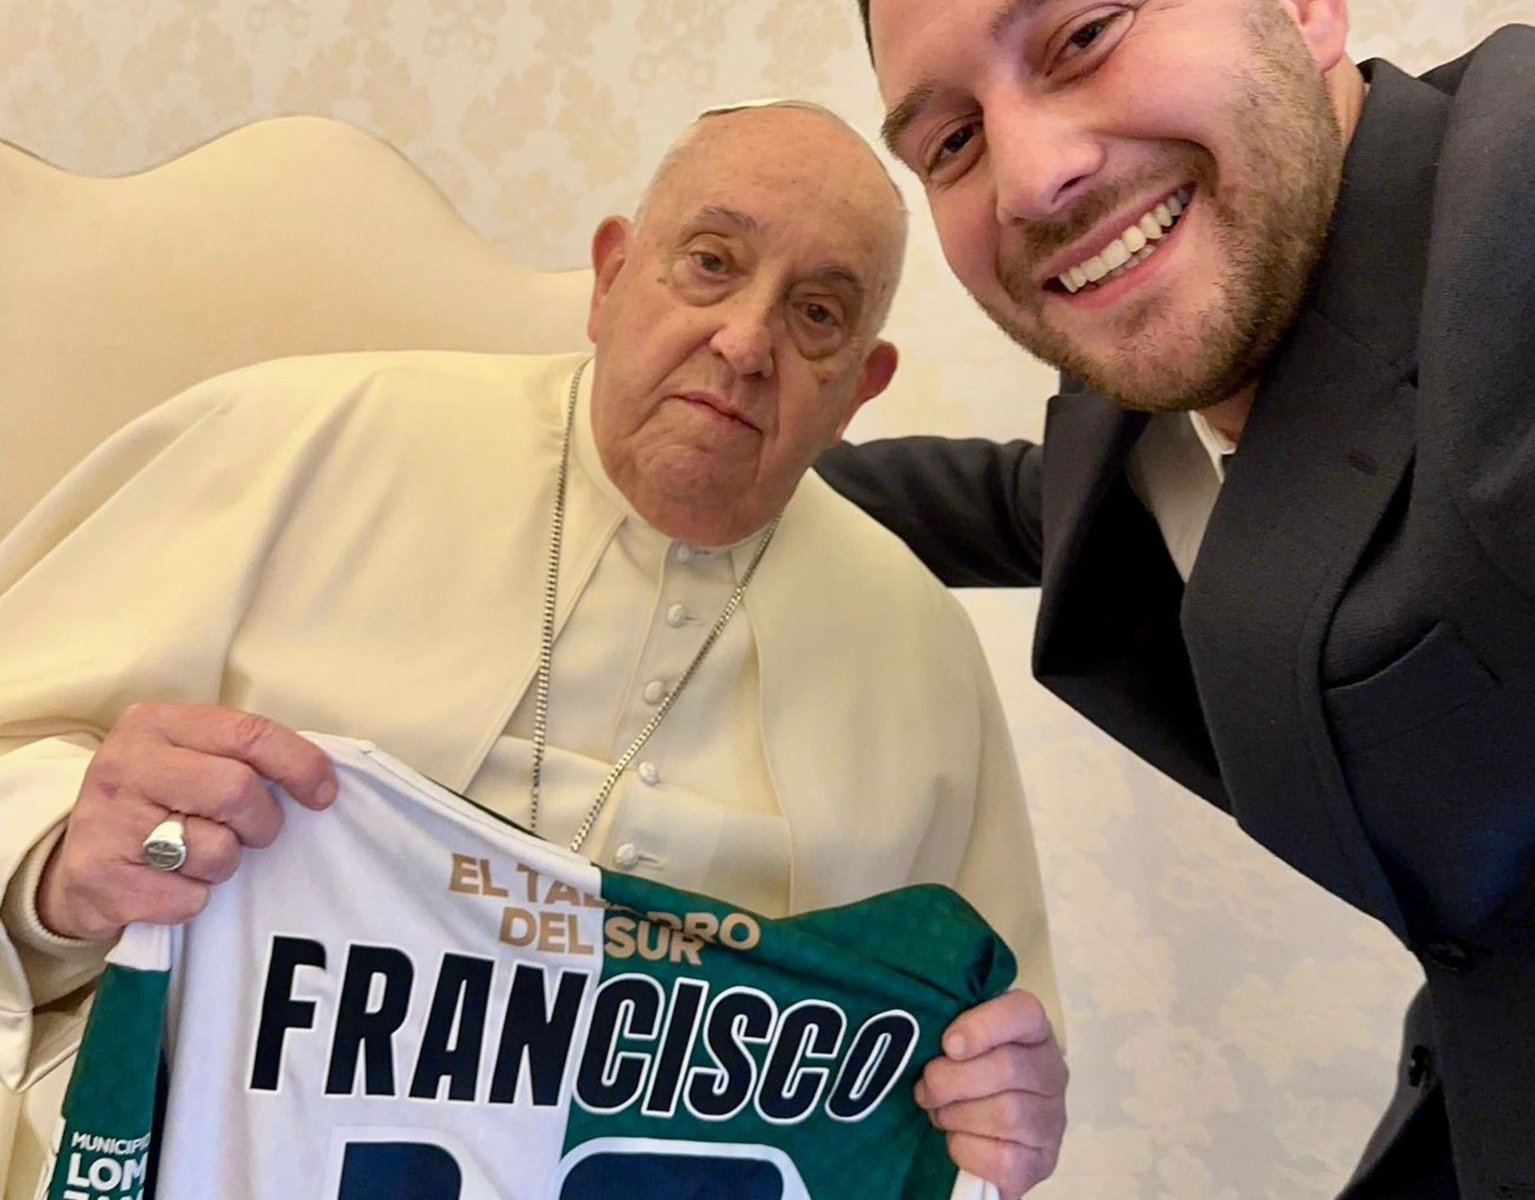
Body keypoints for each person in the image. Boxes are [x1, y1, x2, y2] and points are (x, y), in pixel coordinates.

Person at [0, 102, 1066, 1198]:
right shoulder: (297, 440)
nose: (746, 344)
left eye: (817, 314)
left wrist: (1003, 1104)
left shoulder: (916, 644)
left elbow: (986, 1045)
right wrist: (57, 868)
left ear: (861, 390)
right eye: (710, 263)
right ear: (610, 278)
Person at [815, 2, 1535, 1198]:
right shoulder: (1154, 411)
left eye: (1084, 35)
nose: (1030, 179)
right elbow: (1025, 505)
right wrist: (724, 464)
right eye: (953, 142)